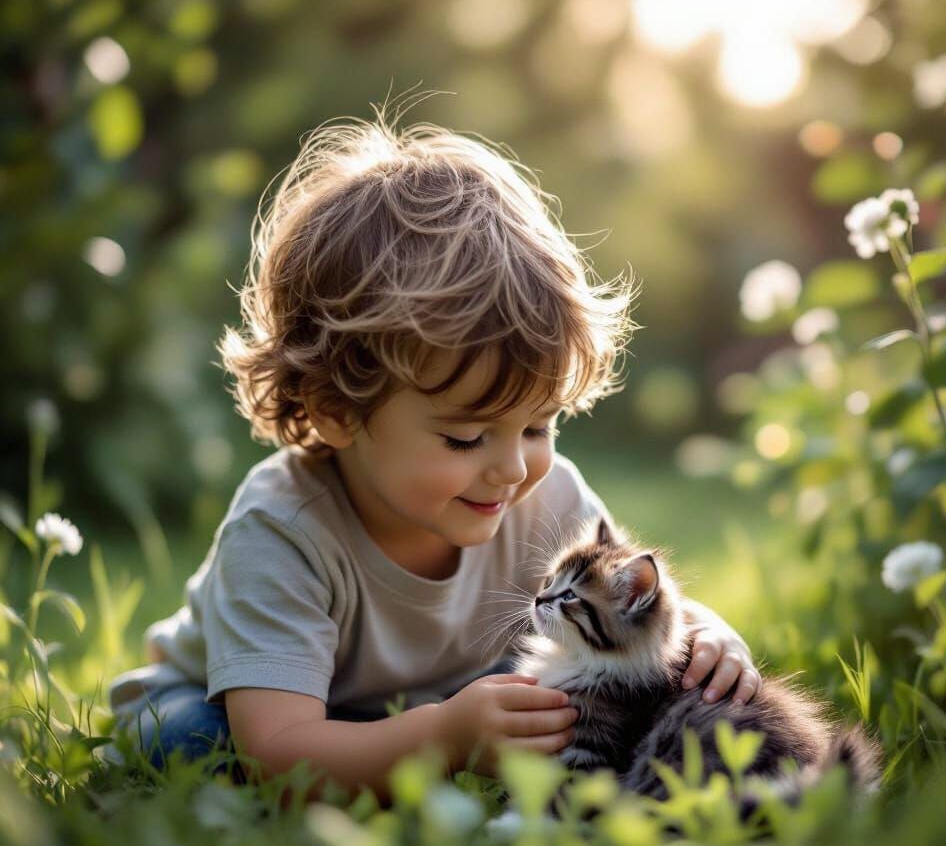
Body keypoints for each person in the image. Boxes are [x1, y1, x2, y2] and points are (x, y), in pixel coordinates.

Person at [107, 100, 761, 802]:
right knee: (189, 742)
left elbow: (628, 613)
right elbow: (277, 754)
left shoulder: (546, 498)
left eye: (538, 427)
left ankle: (404, 741)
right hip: (252, 709)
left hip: (437, 700)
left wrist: (706, 636)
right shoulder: (281, 530)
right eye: (466, 437)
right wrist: (445, 740)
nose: (513, 469)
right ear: (337, 410)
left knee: (559, 697)